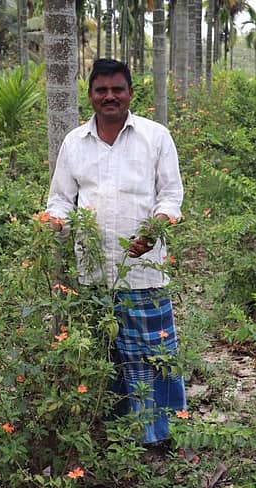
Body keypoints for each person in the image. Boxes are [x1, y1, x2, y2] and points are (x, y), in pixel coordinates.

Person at [45, 58, 186, 446]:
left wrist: (155, 229)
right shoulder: (75, 142)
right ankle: (109, 435)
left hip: (144, 273)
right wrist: (51, 224)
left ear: (130, 93)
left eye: (117, 89)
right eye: (101, 90)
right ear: (90, 95)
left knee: (152, 354)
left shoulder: (156, 137)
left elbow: (171, 195)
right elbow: (60, 200)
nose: (109, 96)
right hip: (93, 274)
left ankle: (160, 434)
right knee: (102, 357)